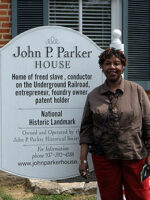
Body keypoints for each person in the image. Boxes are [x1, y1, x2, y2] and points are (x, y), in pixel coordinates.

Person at [79, 48, 150, 200]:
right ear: (102, 67)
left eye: (116, 63)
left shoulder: (137, 91)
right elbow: (86, 130)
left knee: (140, 196)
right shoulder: (93, 96)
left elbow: (148, 124)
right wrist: (83, 160)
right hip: (105, 158)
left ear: (123, 66)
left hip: (135, 156)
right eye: (107, 63)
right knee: (109, 197)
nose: (112, 67)